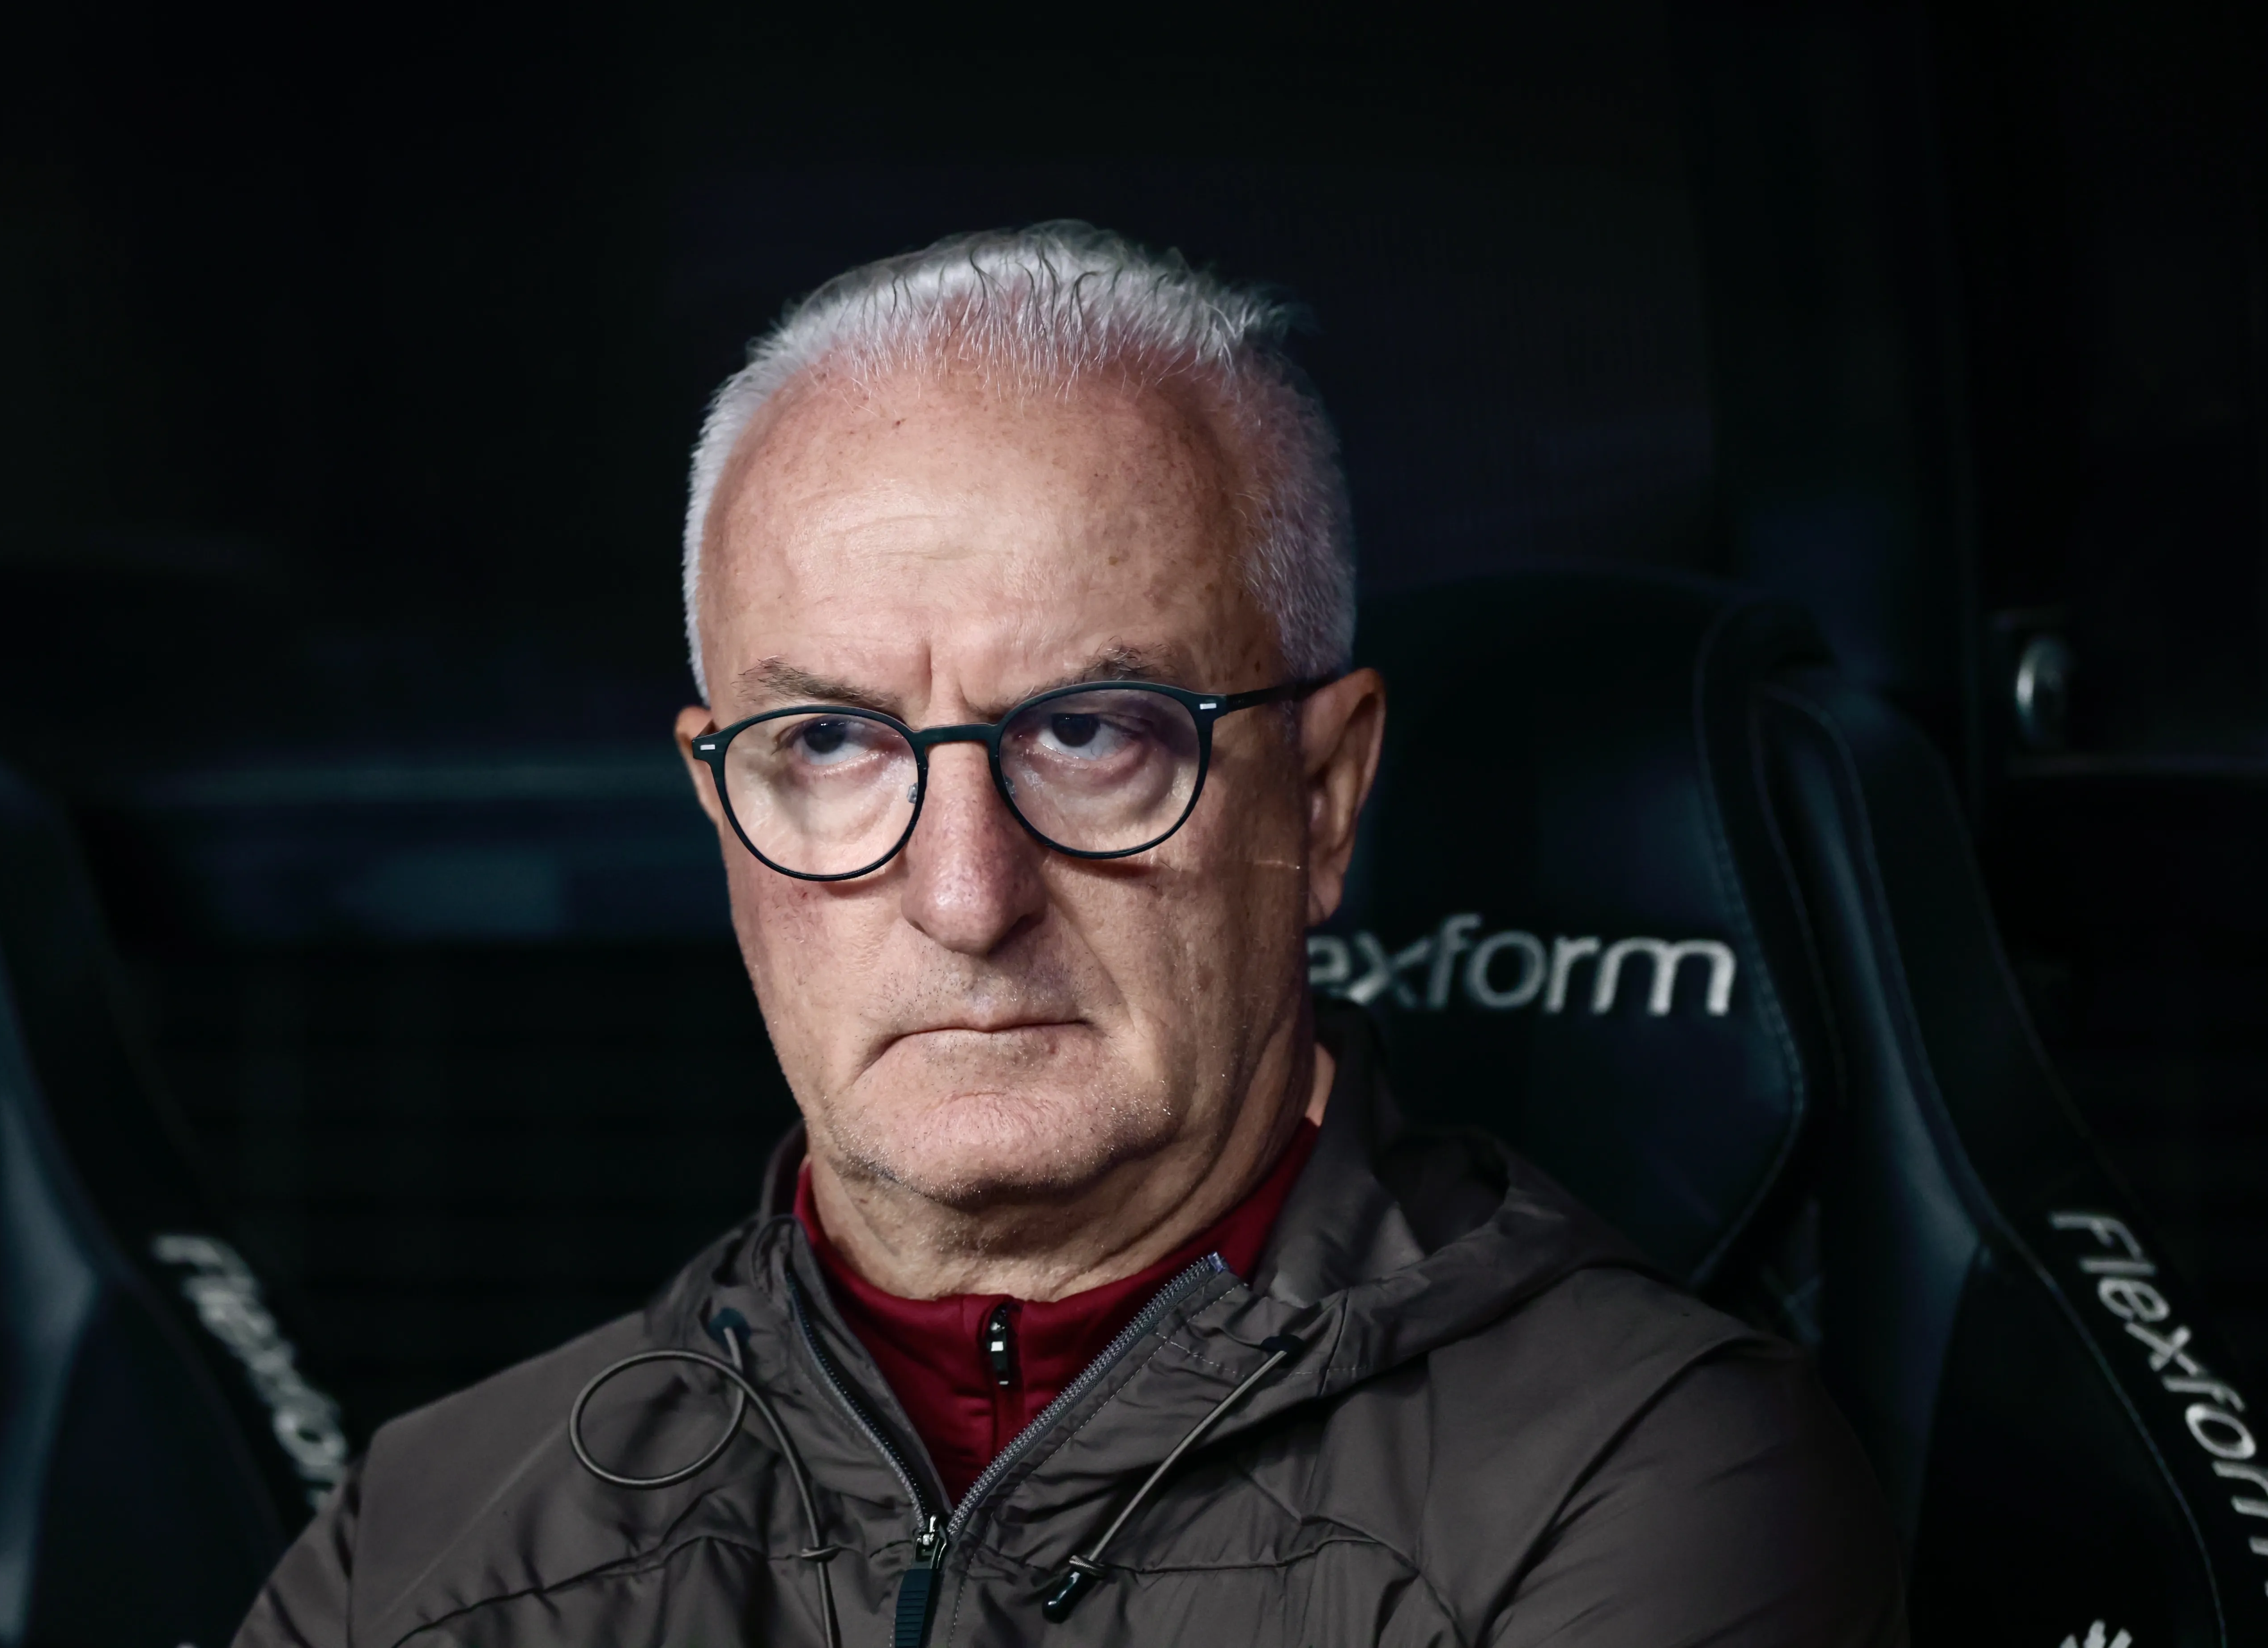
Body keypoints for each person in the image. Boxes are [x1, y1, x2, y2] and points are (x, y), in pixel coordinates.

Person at [234, 223, 1904, 1647]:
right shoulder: (432, 1541)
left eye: (1092, 734)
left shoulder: (1648, 1485)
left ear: (1319, 798)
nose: (963, 897)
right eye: (830, 744)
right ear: (719, 809)